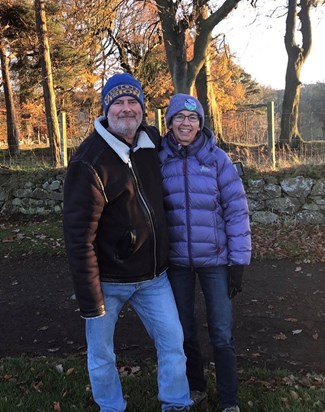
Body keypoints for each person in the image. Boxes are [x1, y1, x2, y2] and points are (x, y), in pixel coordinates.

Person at [63, 74, 193, 412]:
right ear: (106, 109)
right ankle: (111, 407)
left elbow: (184, 137)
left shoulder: (150, 141)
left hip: (154, 278)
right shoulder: (88, 163)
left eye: (132, 101)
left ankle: (176, 404)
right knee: (102, 353)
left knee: (172, 343)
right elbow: (79, 239)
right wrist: (92, 301)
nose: (125, 109)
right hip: (108, 282)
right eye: (117, 102)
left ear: (142, 108)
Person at [159, 94, 252, 412]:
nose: (186, 123)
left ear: (200, 123)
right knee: (183, 330)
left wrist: (238, 261)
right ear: (169, 122)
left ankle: (229, 401)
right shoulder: (159, 159)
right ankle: (195, 387)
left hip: (215, 260)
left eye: (192, 118)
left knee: (222, 333)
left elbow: (237, 211)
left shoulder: (218, 160)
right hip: (177, 263)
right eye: (179, 118)